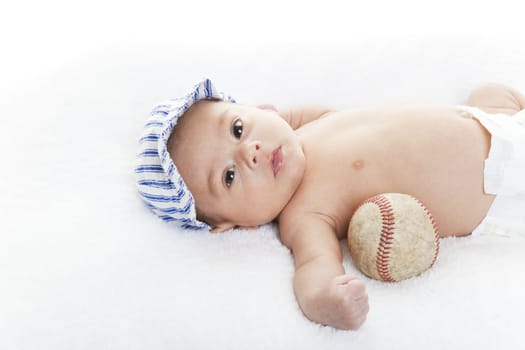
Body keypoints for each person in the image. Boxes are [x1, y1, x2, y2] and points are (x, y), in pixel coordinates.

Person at [135, 78, 525, 330]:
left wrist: (279, 117)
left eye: (238, 128)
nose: (250, 151)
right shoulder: (304, 214)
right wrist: (323, 298)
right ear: (233, 225)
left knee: (491, 91)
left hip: (485, 122)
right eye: (229, 177)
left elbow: (304, 116)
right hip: (499, 185)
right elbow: (314, 265)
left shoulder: (302, 128)